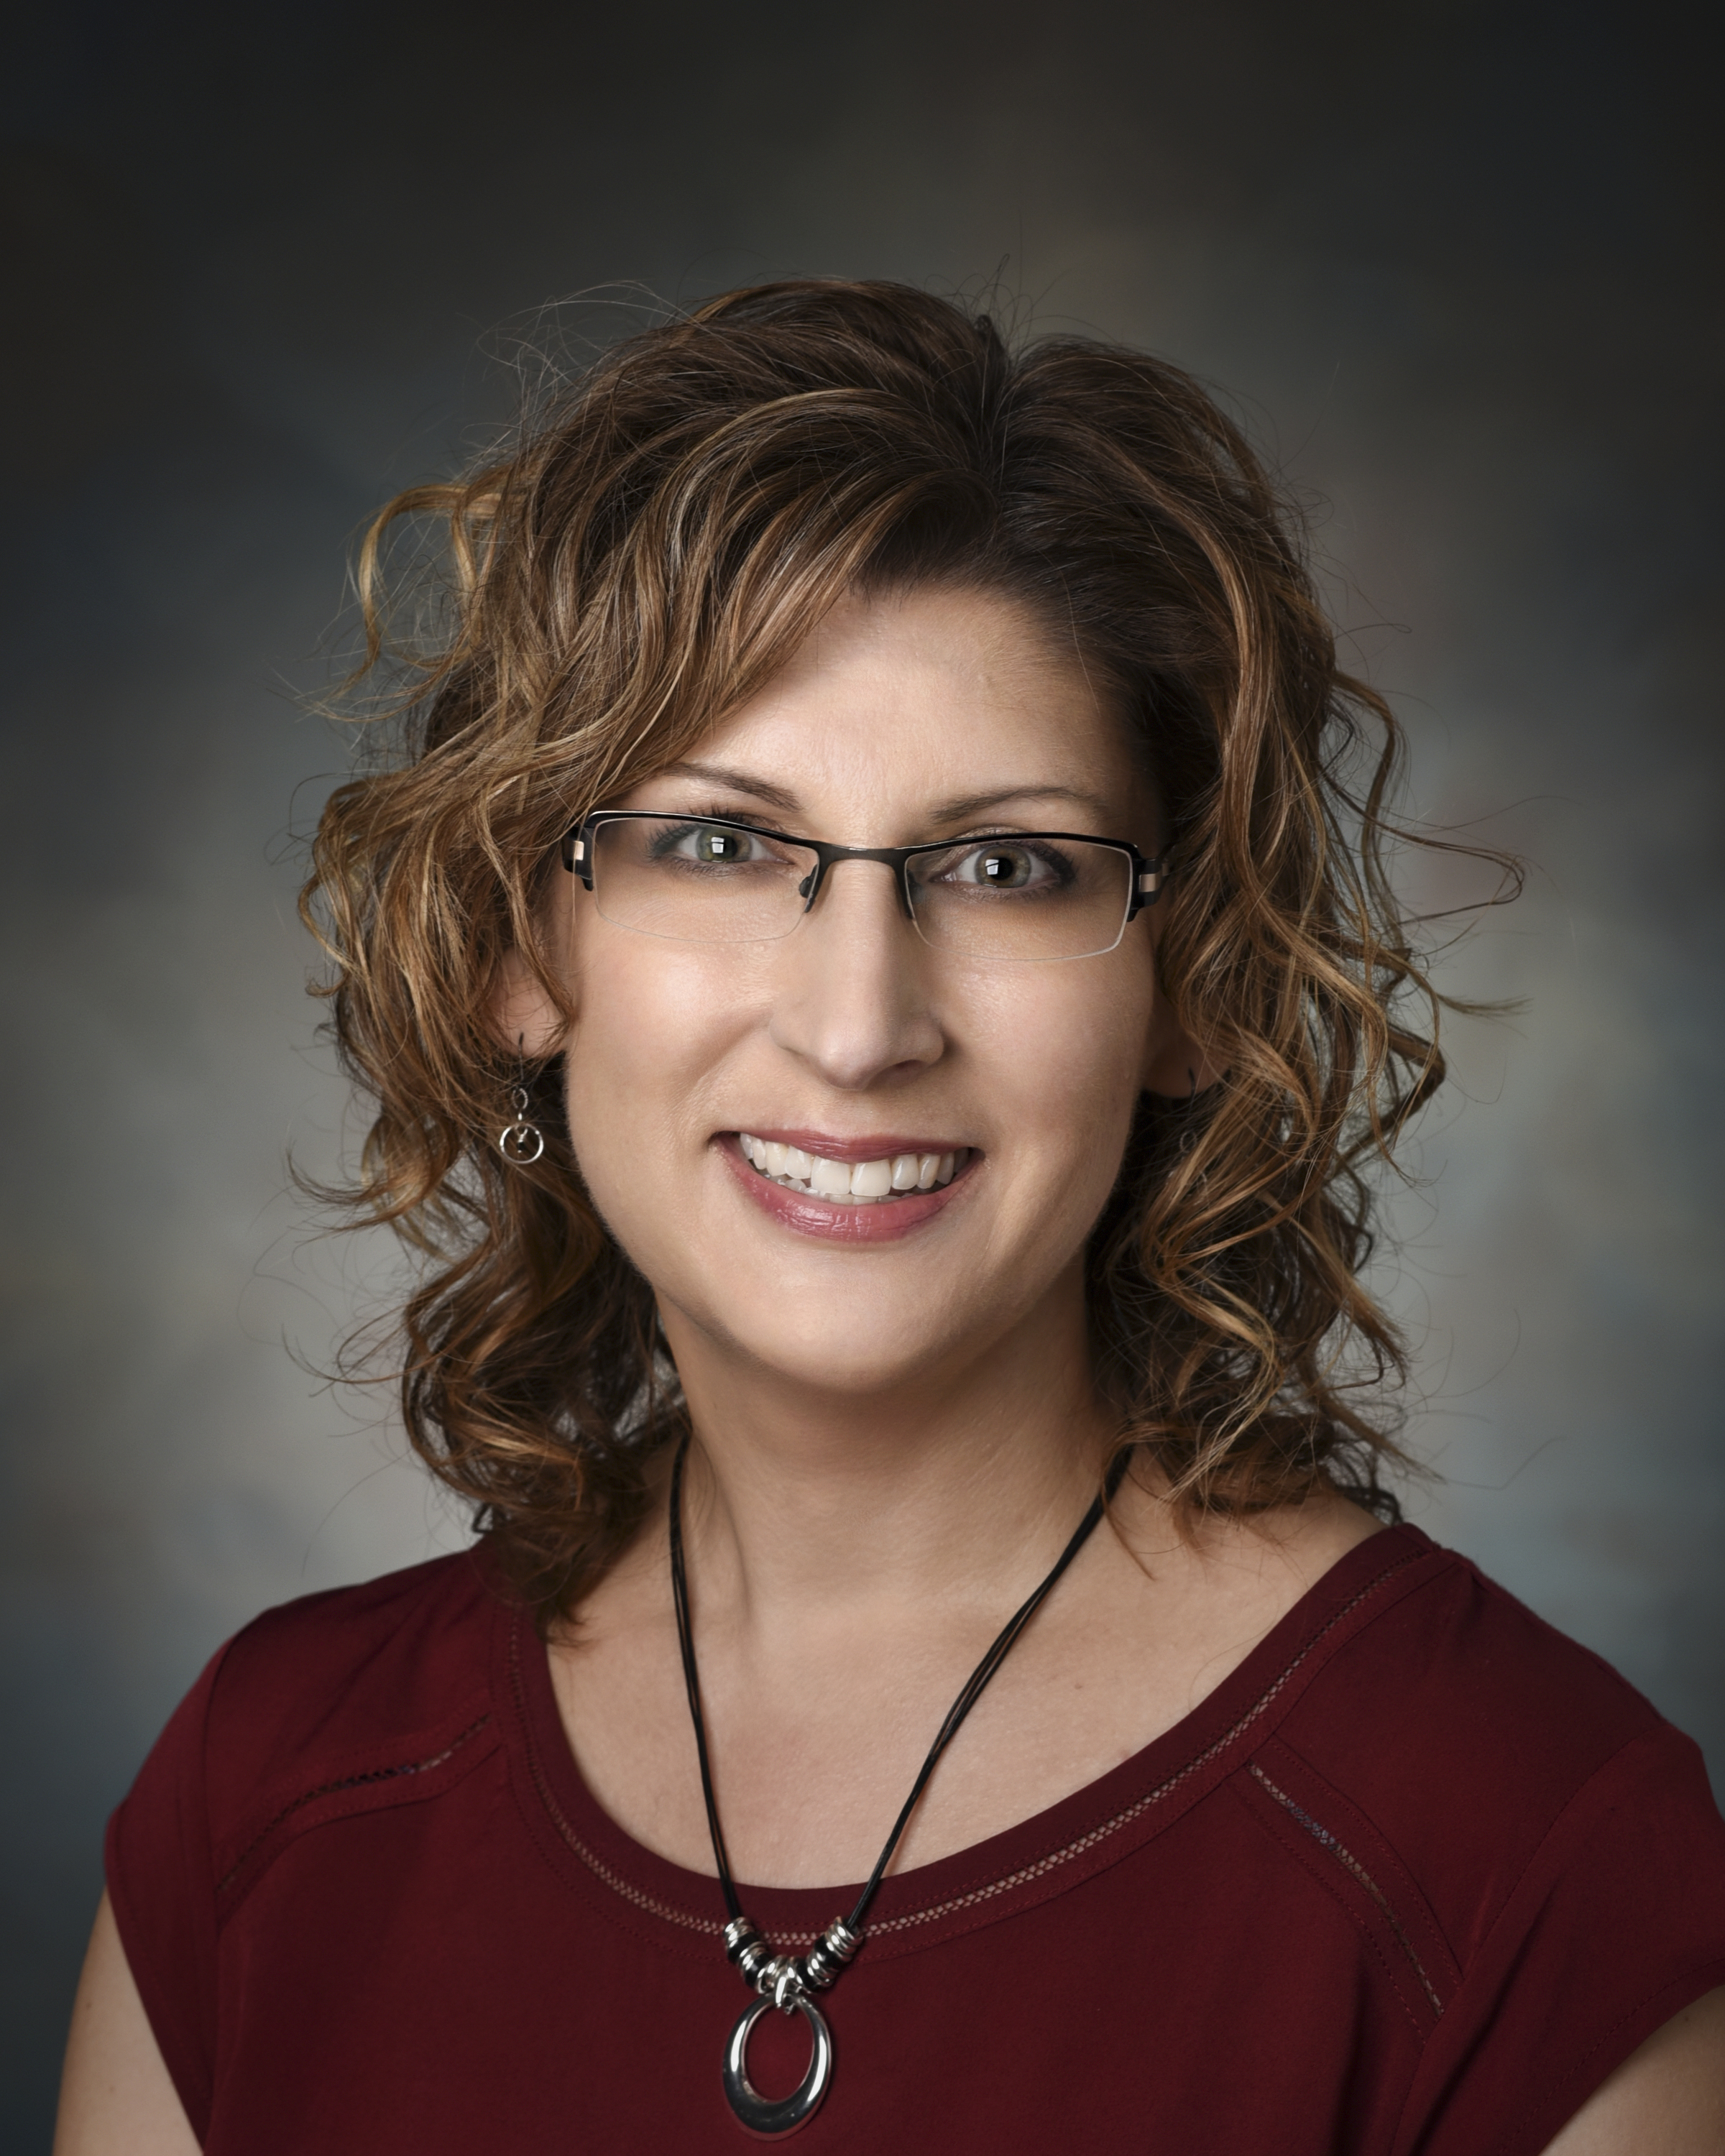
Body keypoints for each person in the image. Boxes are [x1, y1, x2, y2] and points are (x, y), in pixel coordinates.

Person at [54, 280, 1725, 2155]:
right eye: (720, 843)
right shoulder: (265, 1804)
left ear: (1188, 988)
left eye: (1008, 867)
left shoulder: (1520, 1853)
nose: (860, 1026)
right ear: (524, 946)